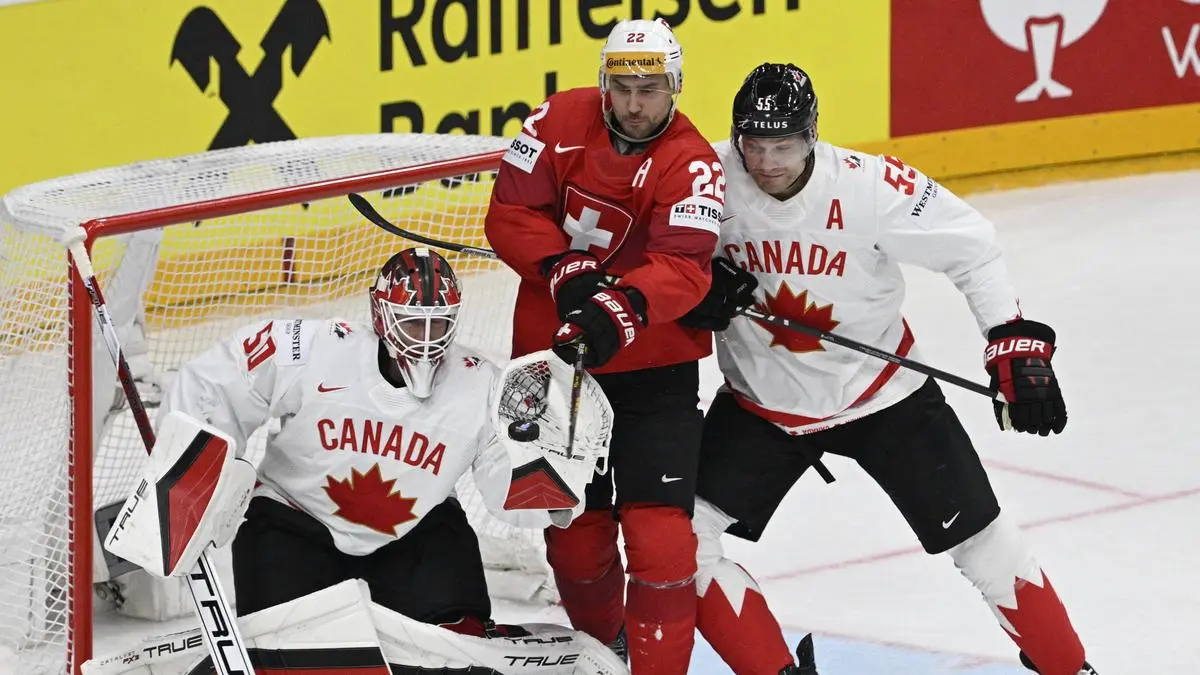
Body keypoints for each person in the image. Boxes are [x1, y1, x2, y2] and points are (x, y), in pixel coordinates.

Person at [680, 63, 1097, 675]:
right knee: (679, 544)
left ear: (812, 135)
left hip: (884, 395)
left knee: (985, 544)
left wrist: (1010, 339)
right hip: (760, 405)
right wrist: (692, 283)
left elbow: (972, 246)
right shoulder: (704, 177)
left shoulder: (868, 186)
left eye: (784, 145)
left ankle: (1070, 669)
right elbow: (644, 250)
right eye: (754, 144)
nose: (766, 161)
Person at [99, 246, 625, 674]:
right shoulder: (311, 348)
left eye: (438, 325)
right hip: (296, 526)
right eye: (412, 325)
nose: (426, 341)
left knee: (457, 653)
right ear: (380, 315)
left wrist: (549, 489)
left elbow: (499, 482)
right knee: (293, 656)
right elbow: (215, 384)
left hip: (415, 534)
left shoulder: (480, 384)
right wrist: (194, 470)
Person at [483, 17, 727, 675]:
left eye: (651, 89)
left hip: (657, 369)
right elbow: (510, 211)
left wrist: (620, 308)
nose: (635, 104)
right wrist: (562, 266)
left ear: (675, 86)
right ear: (603, 84)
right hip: (557, 365)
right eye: (623, 88)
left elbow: (682, 264)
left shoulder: (692, 162)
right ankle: (603, 657)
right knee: (574, 539)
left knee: (663, 542)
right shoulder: (555, 119)